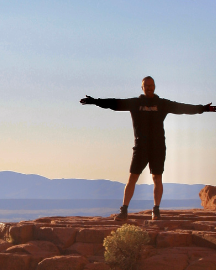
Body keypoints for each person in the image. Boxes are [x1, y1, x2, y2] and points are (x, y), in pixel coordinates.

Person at [81, 77, 215, 219]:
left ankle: (156, 210)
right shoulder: (135, 103)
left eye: (151, 85)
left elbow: (183, 108)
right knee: (133, 177)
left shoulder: (162, 104)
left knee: (157, 178)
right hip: (140, 147)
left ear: (155, 86)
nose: (149, 88)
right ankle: (124, 210)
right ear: (142, 87)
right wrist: (95, 101)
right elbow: (115, 103)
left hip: (158, 146)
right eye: (146, 86)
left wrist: (204, 108)